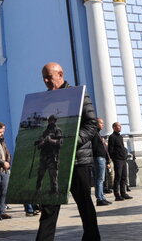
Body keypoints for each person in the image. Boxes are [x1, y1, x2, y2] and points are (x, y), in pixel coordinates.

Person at [36, 62, 100, 241]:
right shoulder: (45, 99)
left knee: (84, 205)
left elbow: (91, 124)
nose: (46, 81)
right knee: (49, 206)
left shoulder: (78, 95)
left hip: (77, 160)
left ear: (61, 74)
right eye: (44, 78)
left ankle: (92, 238)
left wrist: (72, 142)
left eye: (49, 76)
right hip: (54, 159)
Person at [35, 115, 63, 195]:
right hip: (44, 157)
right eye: (50, 120)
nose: (51, 122)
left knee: (53, 177)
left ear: (55, 121)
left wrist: (50, 140)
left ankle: (54, 192)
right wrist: (43, 142)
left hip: (53, 157)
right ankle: (37, 191)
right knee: (40, 175)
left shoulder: (58, 130)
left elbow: (59, 143)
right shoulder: (45, 131)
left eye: (52, 120)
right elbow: (39, 146)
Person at [107, 122, 131, 201]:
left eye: (120, 126)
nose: (120, 127)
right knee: (118, 177)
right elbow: (111, 150)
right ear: (114, 127)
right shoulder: (112, 137)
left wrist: (124, 154)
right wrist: (114, 158)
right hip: (117, 160)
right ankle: (117, 195)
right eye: (118, 126)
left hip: (123, 159)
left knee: (124, 176)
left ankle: (123, 193)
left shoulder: (120, 136)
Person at [92, 118, 111, 206]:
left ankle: (102, 197)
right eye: (101, 123)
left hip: (102, 158)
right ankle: (99, 198)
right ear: (96, 124)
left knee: (102, 179)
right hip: (98, 158)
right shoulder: (95, 134)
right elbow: (94, 147)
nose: (103, 125)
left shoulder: (98, 134)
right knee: (99, 179)